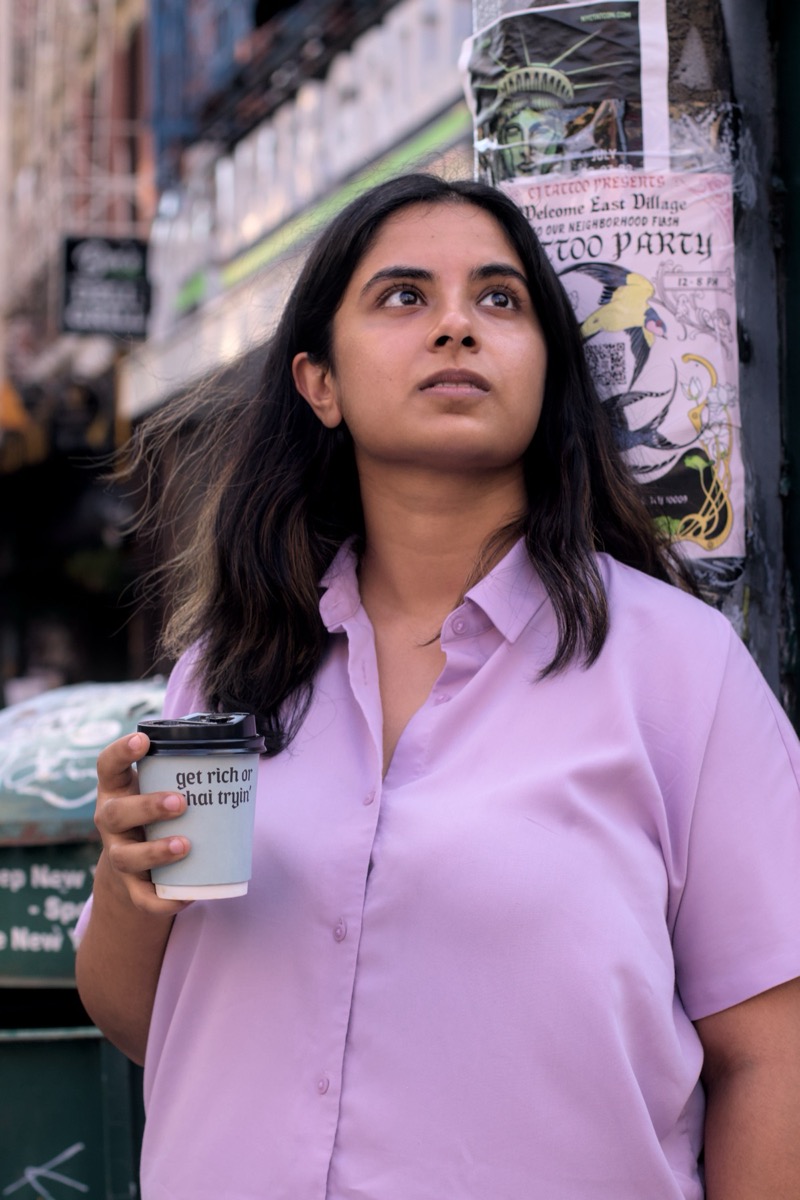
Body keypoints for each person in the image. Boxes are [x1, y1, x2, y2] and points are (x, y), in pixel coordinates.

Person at [75, 172, 800, 1199]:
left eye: (498, 300)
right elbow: (150, 1022)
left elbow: (772, 1058)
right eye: (403, 297)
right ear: (317, 383)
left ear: (547, 373)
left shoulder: (679, 672)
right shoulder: (229, 672)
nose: (456, 325)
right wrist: (125, 884)